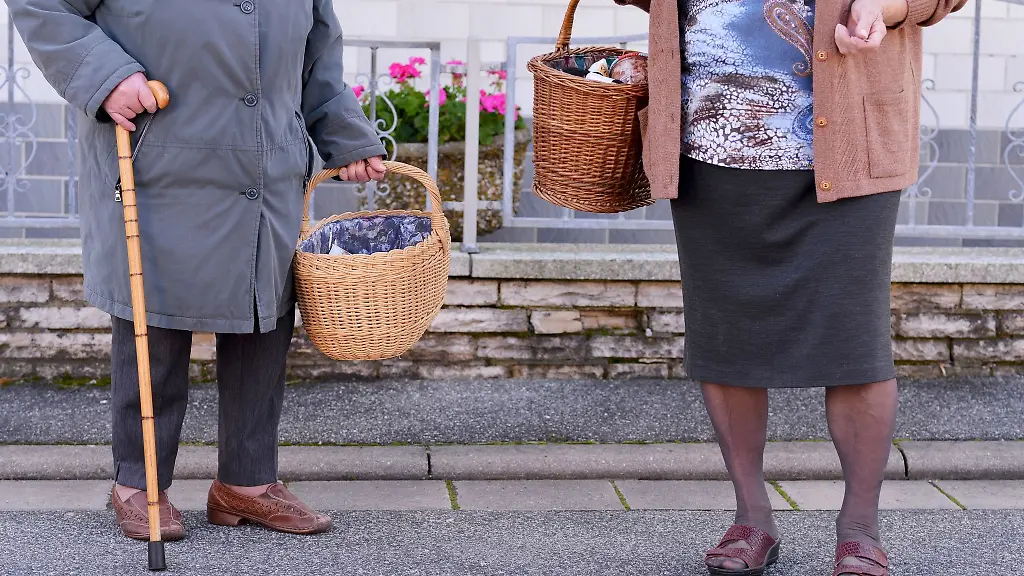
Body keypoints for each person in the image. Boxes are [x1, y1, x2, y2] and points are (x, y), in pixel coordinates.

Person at [9, 0, 387, 540]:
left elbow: (317, 56)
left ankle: (247, 485)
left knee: (262, 320)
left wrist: (345, 135)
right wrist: (106, 76)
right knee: (156, 326)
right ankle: (139, 485)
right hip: (159, 164)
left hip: (266, 167)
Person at [613, 0, 965, 574]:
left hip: (849, 147)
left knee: (854, 345)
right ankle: (752, 517)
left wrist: (885, 5)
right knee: (727, 341)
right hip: (710, 144)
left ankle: (859, 528)